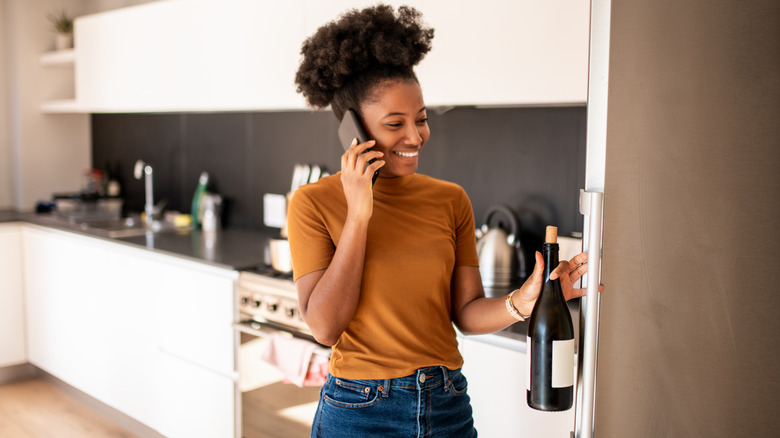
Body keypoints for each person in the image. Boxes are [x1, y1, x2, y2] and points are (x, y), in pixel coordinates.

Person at [288, 5, 591, 437]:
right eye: (395, 123)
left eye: (422, 119)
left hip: (446, 404)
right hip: (360, 409)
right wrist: (359, 212)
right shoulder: (313, 202)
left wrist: (521, 303)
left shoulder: (450, 200)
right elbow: (323, 326)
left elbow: (465, 313)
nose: (415, 137)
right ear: (353, 129)